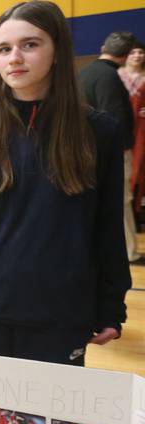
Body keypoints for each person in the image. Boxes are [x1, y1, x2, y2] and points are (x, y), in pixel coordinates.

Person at [0, 1, 132, 365]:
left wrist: (110, 302)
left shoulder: (99, 132)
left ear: (57, 50)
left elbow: (107, 226)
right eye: (4, 49)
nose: (15, 58)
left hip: (59, 316)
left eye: (30, 44)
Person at [80, 31, 143, 266]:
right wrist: (124, 150)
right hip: (110, 152)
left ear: (102, 47)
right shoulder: (110, 77)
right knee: (121, 200)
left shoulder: (84, 73)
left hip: (86, 150)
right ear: (126, 55)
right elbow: (113, 118)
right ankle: (129, 252)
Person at [119, 42, 145, 224]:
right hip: (122, 129)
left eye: (140, 52)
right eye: (133, 52)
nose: (137, 55)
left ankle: (137, 212)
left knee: (139, 169)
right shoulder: (116, 76)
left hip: (141, 129)